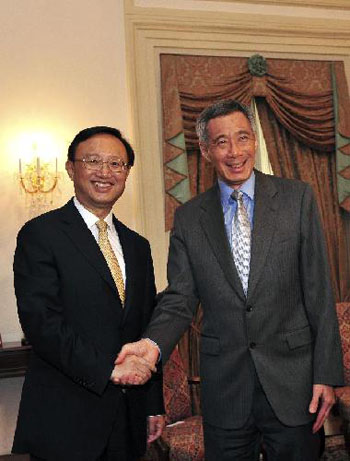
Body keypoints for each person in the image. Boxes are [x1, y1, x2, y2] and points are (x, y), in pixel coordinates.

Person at [116, 100, 344, 460]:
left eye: (242, 138)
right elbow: (179, 299)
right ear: (206, 151)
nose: (235, 152)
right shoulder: (189, 219)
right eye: (222, 142)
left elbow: (319, 292)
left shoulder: (297, 198)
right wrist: (151, 345)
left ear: (254, 141)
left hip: (294, 383)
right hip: (225, 390)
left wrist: (327, 374)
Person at [12, 126, 164, 461]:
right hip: (64, 419)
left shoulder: (138, 246)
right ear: (71, 168)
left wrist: (153, 405)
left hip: (128, 419)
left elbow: (147, 327)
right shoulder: (41, 234)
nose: (105, 173)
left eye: (116, 164)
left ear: (126, 174)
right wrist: (107, 370)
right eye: (93, 161)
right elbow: (42, 324)